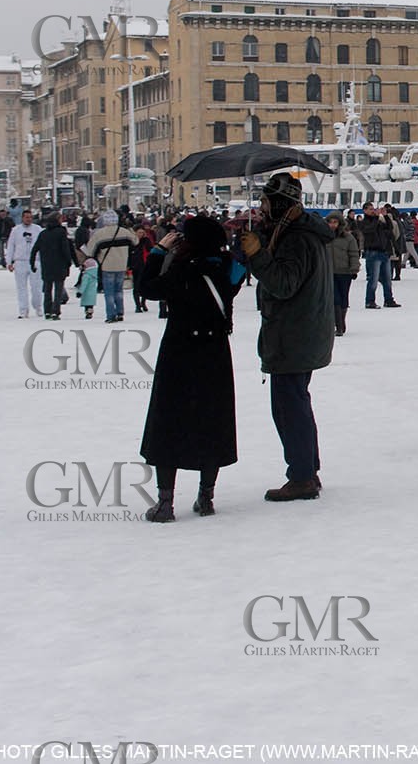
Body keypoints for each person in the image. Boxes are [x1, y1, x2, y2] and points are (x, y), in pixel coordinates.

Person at [137, 216, 245, 522]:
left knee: (169, 421)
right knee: (213, 419)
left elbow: (148, 288)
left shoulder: (183, 268)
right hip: (215, 352)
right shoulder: (228, 266)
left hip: (180, 350)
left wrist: (159, 250)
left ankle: (165, 503)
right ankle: (206, 496)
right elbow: (237, 277)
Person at [238, 173, 336, 502]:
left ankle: (302, 476)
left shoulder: (298, 238)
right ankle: (307, 468)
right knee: (295, 404)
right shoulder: (297, 231)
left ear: (280, 204)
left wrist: (259, 256)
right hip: (299, 333)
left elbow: (283, 283)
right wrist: (261, 243)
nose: (262, 208)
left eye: (266, 202)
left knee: (289, 407)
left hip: (294, 335)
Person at [84, 212, 137, 323]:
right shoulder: (124, 232)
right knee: (119, 290)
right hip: (122, 265)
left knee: (109, 292)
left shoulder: (99, 234)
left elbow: (90, 251)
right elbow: (135, 241)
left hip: (107, 266)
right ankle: (120, 312)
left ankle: (111, 315)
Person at [31, 212, 78, 321]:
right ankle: (55, 311)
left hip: (46, 265)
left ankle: (47, 311)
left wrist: (32, 262)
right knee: (58, 288)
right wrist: (69, 261)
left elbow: (35, 249)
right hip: (59, 264)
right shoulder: (61, 232)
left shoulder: (43, 233)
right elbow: (65, 248)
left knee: (47, 289)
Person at [358, 201, 400, 308]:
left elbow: (389, 228)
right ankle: (370, 300)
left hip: (383, 251)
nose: (373, 211)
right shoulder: (364, 222)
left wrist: (385, 216)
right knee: (373, 279)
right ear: (365, 210)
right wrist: (376, 218)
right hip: (373, 252)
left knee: (387, 279)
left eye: (373, 209)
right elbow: (369, 229)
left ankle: (389, 299)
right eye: (370, 209)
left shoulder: (379, 221)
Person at [324, 211, 360, 336]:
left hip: (345, 272)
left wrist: (354, 269)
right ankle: (338, 325)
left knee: (344, 298)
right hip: (329, 272)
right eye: (330, 222)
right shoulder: (324, 237)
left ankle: (341, 321)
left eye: (335, 222)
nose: (332, 225)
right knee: (335, 299)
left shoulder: (348, 238)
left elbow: (354, 254)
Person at [5, 209, 42, 319]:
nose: (28, 219)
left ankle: (38, 306)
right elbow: (11, 246)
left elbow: (42, 246)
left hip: (35, 261)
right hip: (20, 261)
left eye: (30, 217)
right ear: (22, 218)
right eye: (26, 217)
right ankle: (23, 309)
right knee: (21, 287)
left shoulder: (38, 229)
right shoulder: (16, 230)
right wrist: (9, 261)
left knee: (36, 287)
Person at [129, 224, 155, 313]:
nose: (141, 234)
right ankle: (137, 305)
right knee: (136, 286)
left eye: (142, 232)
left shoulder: (146, 240)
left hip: (145, 264)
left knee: (144, 284)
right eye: (139, 232)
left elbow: (151, 250)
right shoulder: (131, 241)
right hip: (136, 265)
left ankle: (143, 302)